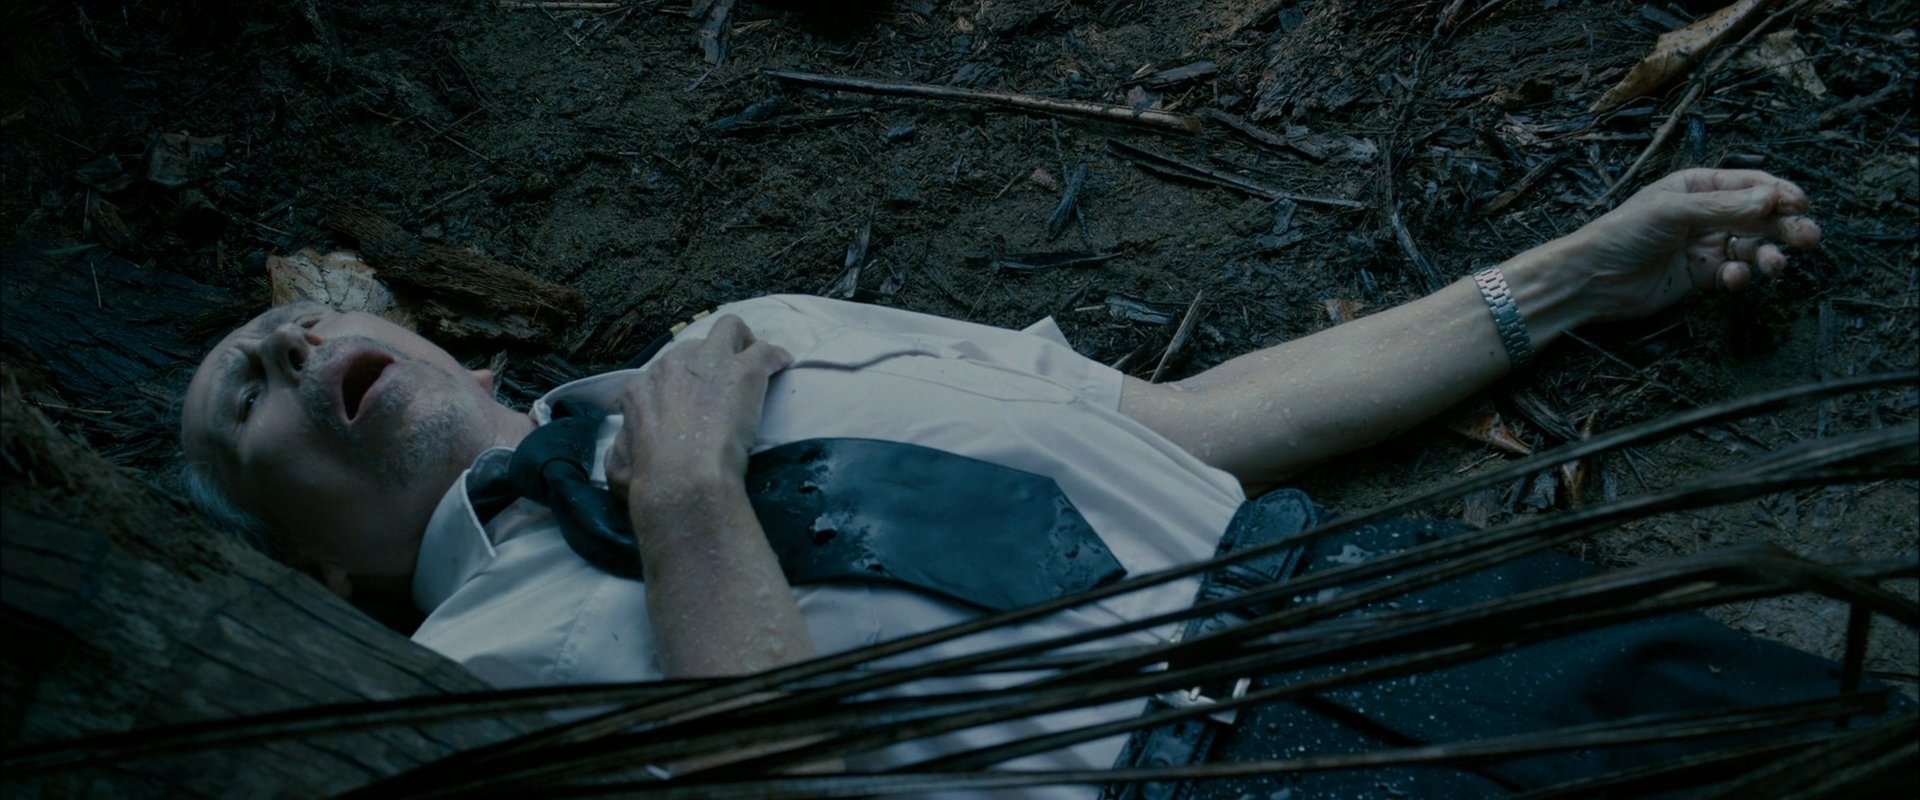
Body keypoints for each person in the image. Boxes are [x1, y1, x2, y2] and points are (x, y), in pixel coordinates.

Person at [178, 169, 1823, 788]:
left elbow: (1189, 428)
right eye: (237, 401)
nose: (278, 344)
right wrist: (687, 509)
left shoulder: (764, 331)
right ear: (313, 576)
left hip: (1384, 606)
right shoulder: (455, 698)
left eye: (290, 323)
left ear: (462, 355)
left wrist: (1578, 276)